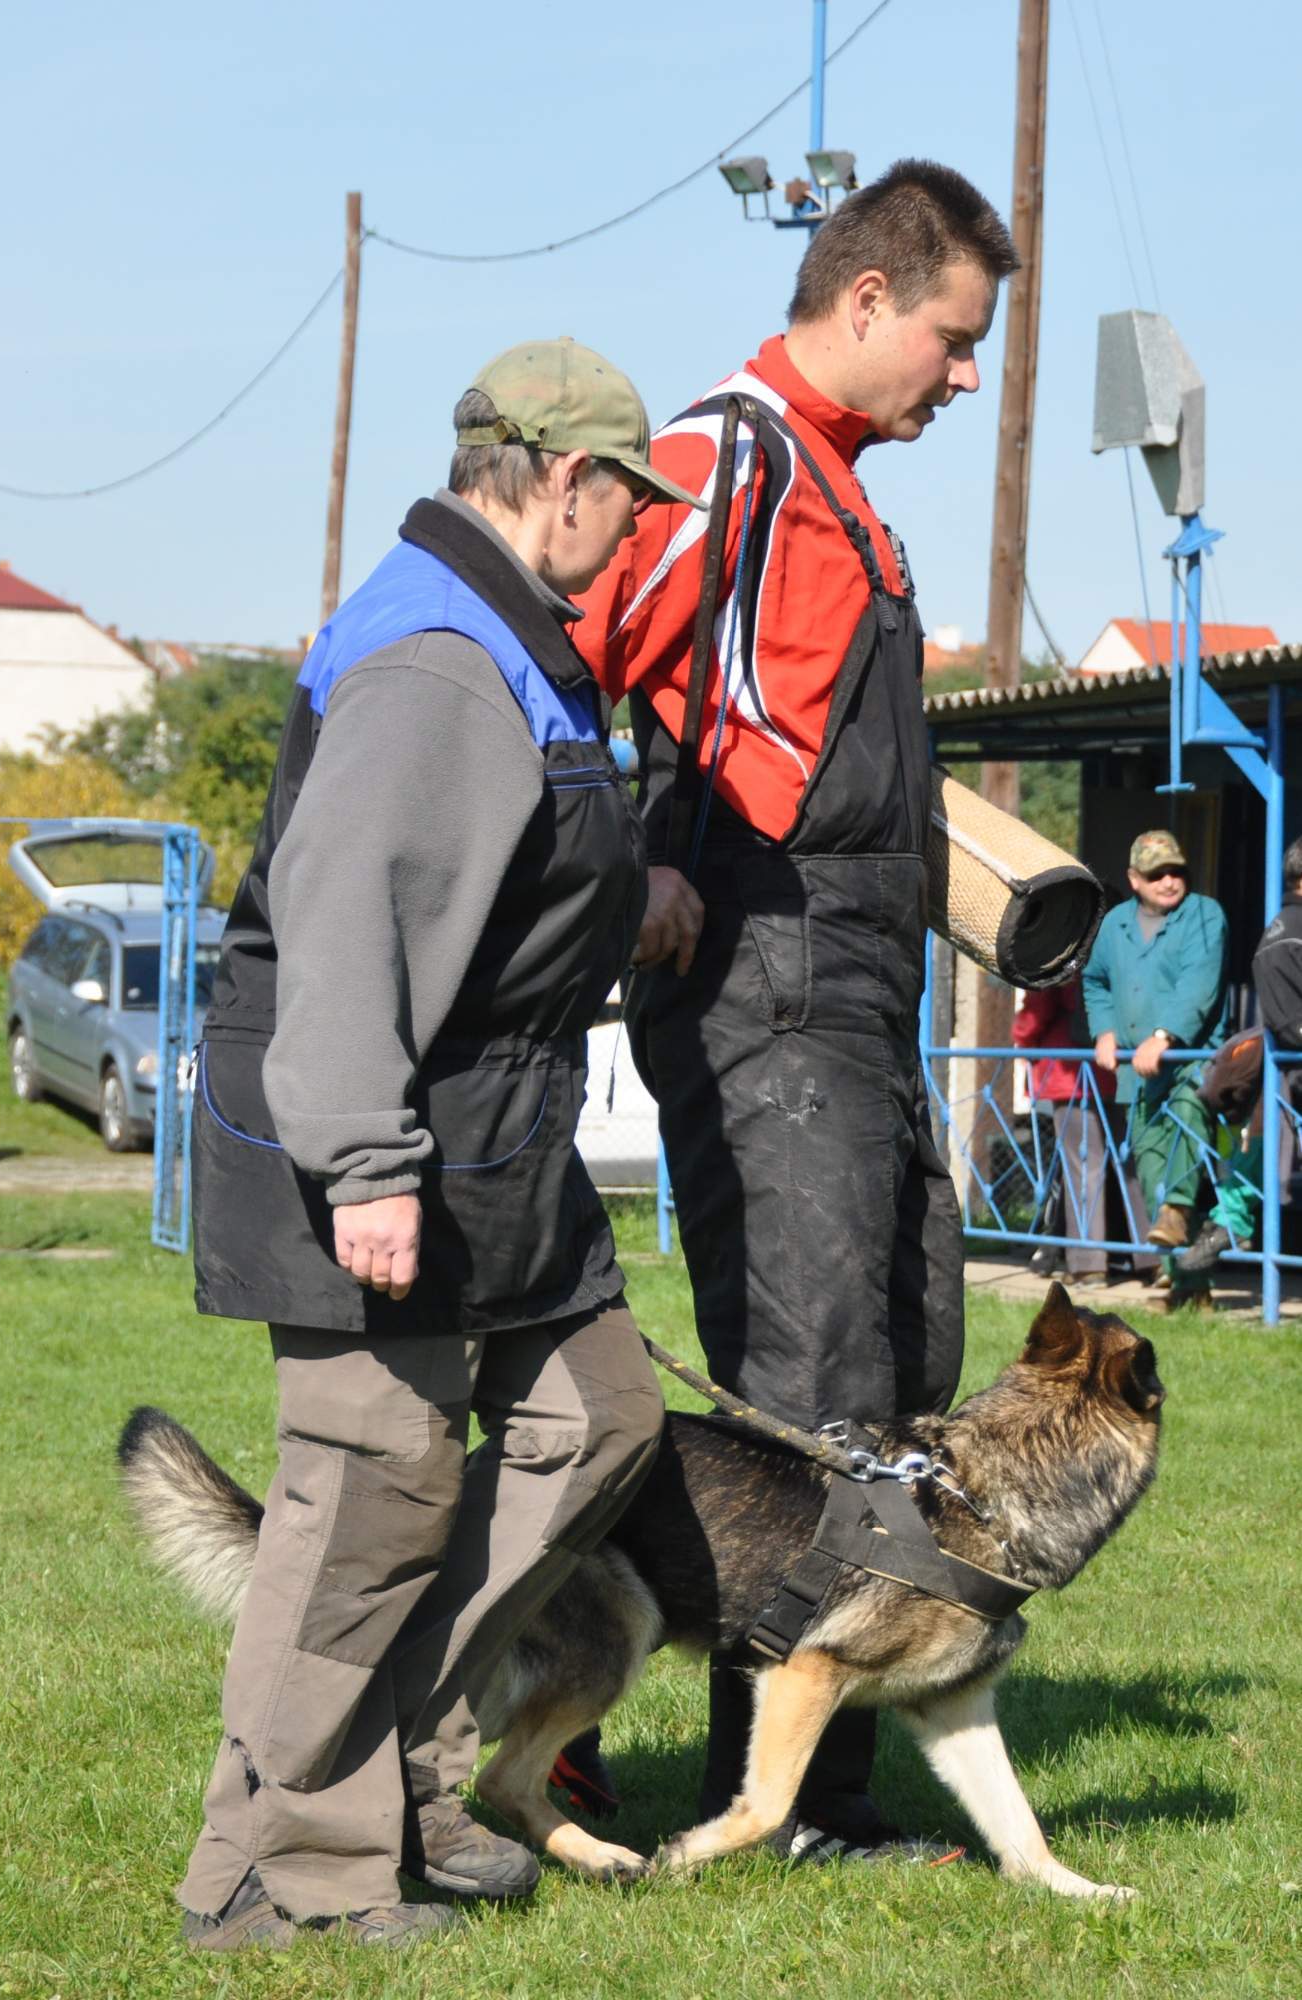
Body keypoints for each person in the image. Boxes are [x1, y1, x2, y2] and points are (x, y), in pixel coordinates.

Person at [177, 338, 702, 1952]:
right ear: (566, 476)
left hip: (493, 1136)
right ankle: (279, 1877)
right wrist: (363, 1163)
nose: (636, 529)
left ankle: (407, 1763)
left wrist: (624, 898)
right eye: (629, 499)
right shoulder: (436, 653)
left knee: (596, 1417)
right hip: (382, 1131)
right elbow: (349, 920)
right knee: (368, 1504)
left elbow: (496, 870)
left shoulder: (503, 633)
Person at [573, 159, 1019, 1860]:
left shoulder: (837, 490)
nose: (961, 379)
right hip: (764, 981)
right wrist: (628, 864)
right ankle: (778, 1801)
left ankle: (811, 1774)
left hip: (859, 988)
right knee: (812, 1392)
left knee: (906, 1359)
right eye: (952, 341)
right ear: (865, 298)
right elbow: (555, 661)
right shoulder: (719, 464)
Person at [1081, 830, 1228, 1308]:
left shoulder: (1204, 915)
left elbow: (1199, 984)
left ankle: (1181, 1235)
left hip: (1190, 1062)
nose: (1168, 881)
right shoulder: (1115, 923)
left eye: (1176, 871)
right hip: (1136, 1074)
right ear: (1134, 879)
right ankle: (1186, 1285)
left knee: (1186, 1138)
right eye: (1156, 873)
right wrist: (1104, 1031)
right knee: (1150, 1171)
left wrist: (1164, 1036)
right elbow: (1095, 981)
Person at [1180, 833, 1302, 1274]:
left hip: (1283, 1080)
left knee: (1259, 1153)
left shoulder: (1284, 933)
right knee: (1260, 1151)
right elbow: (1291, 1025)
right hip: (1290, 1073)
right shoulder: (1288, 937)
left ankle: (1226, 1222)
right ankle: (1226, 1222)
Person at [1012, 975, 1116, 1288]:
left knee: (1080, 1166)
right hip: (1108, 1067)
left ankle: (1088, 1264)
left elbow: (1037, 1008)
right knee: (1116, 1164)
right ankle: (1148, 1260)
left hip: (1069, 1070)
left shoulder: (1061, 960)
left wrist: (1021, 1037)